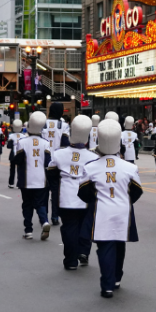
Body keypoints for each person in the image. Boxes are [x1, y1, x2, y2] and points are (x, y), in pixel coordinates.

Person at [77, 118, 142, 298]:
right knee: (119, 244)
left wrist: (95, 200)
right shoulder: (130, 167)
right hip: (123, 211)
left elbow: (83, 193)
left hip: (101, 211)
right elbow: (137, 192)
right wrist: (125, 201)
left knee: (105, 247)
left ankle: (107, 285)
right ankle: (116, 278)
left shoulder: (90, 167)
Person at [47, 114, 97, 270]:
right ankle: (83, 252)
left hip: (66, 197)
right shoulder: (93, 157)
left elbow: (51, 174)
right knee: (85, 225)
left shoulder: (58, 154)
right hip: (86, 197)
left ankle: (70, 260)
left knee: (69, 227)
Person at [11, 111, 52, 240]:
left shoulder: (22, 142)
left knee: (27, 204)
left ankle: (28, 230)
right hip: (41, 179)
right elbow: (47, 163)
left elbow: (17, 160)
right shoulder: (46, 143)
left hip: (26, 180)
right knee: (40, 204)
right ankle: (44, 221)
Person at [7, 118, 24, 187]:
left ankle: (11, 183)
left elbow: (8, 146)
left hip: (13, 154)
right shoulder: (24, 136)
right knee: (20, 169)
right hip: (20, 154)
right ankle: (19, 182)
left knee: (12, 169)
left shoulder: (11, 136)